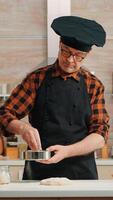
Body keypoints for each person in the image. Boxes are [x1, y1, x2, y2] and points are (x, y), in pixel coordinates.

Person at [0, 16, 109, 180]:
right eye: (65, 51)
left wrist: (67, 151)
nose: (70, 60)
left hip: (81, 174)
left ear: (86, 55)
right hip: (39, 172)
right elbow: (4, 113)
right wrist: (23, 128)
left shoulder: (93, 85)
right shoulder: (36, 79)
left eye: (78, 56)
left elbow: (100, 135)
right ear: (59, 45)